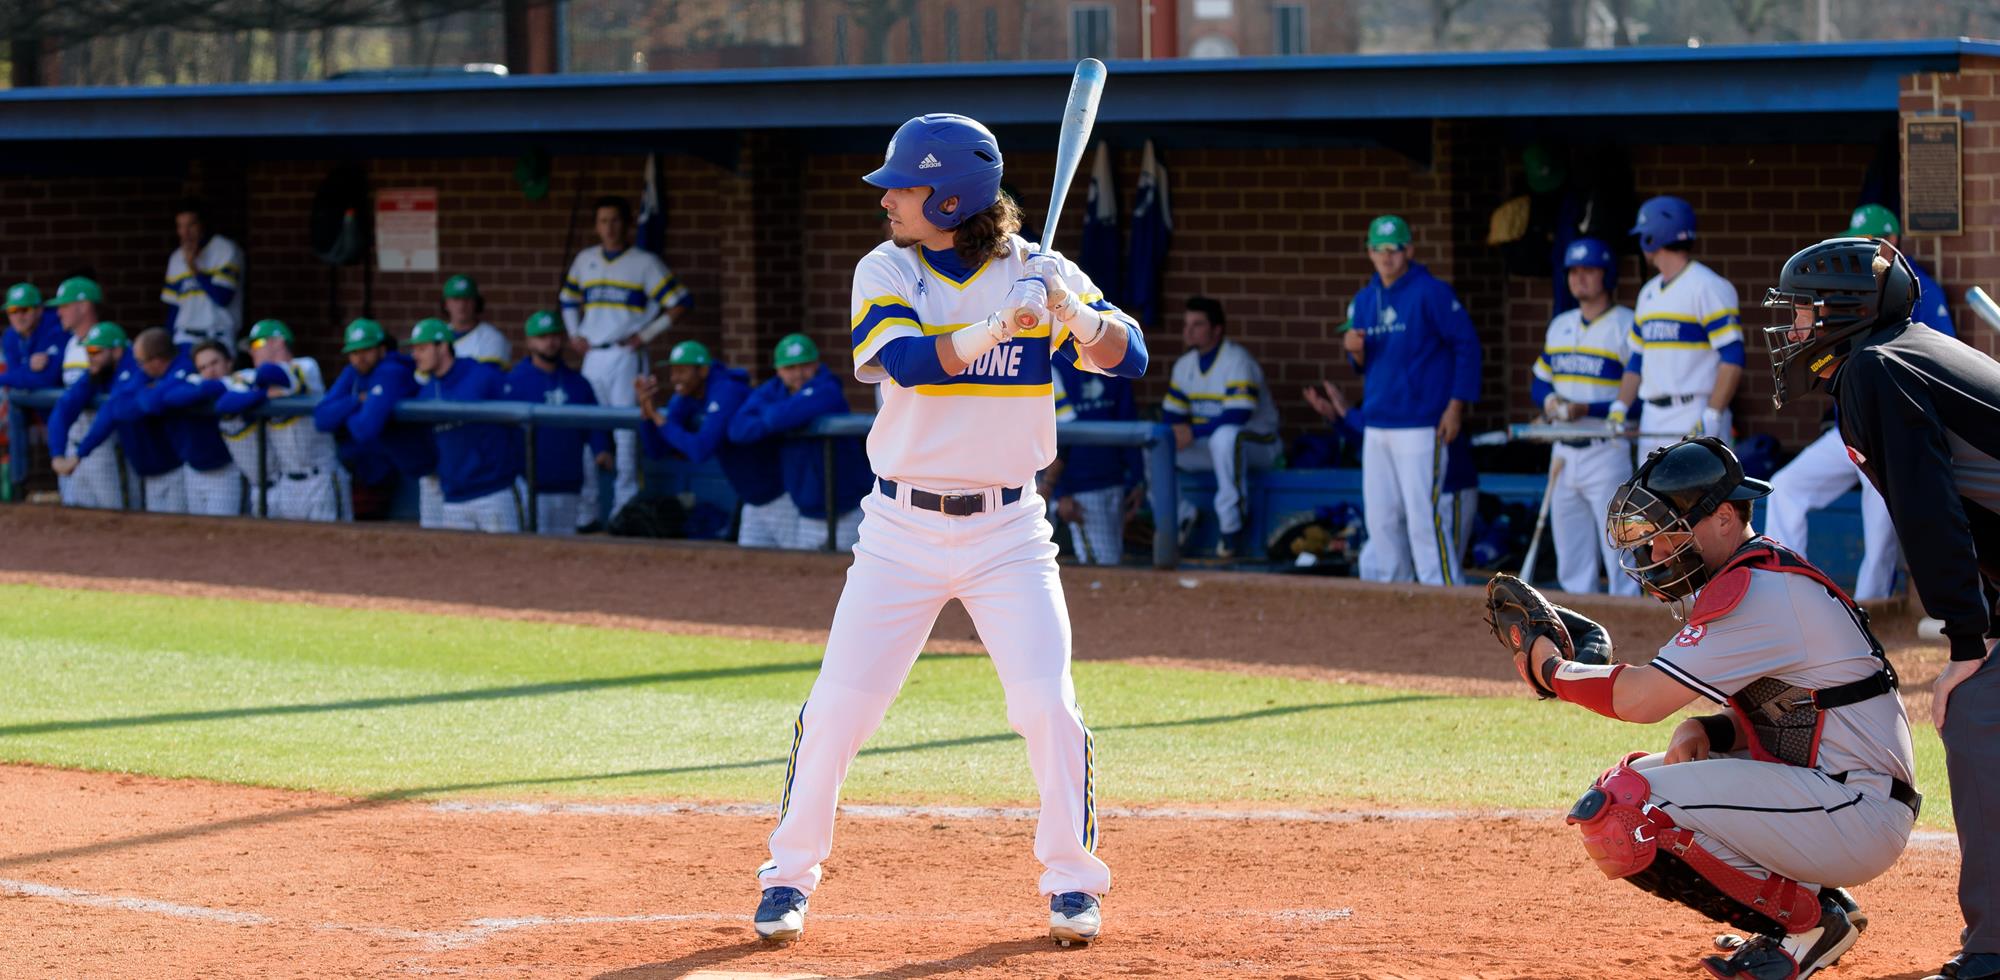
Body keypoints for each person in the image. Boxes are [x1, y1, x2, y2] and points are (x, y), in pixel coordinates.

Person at [751, 112, 1146, 949]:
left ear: (954, 195)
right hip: (899, 529)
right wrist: (1003, 325)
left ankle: (1073, 883)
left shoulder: (1036, 270)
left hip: (1011, 531)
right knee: (838, 709)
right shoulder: (885, 266)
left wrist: (1073, 314)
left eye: (905, 185)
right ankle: (788, 877)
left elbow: (1131, 358)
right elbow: (907, 363)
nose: (888, 197)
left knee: (1049, 705)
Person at [1496, 436, 1916, 979]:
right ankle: (1815, 908)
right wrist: (1713, 730)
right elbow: (1798, 711)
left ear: (1722, 518)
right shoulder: (1750, 577)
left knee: (1629, 810)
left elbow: (1642, 699)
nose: (1652, 553)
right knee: (1626, 780)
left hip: (1855, 807)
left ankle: (1806, 926)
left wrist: (1551, 670)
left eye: (1665, 533)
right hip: (1836, 793)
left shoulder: (1761, 591)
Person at [1763, 236, 2000, 980]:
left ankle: (1995, 950)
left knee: (1979, 712)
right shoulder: (1907, 351)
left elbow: (1931, 513)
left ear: (1843, 310)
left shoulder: (1875, 367)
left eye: (1802, 313)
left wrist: (1968, 642)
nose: (1793, 331)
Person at [1762, 205, 1956, 600]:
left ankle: (1873, 607)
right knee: (1786, 487)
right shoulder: (1846, 289)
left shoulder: (1918, 289)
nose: (1859, 250)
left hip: (1892, 432)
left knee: (1881, 520)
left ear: (1891, 242)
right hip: (1848, 429)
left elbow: (1939, 357)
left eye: (1868, 241)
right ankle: (1787, 594)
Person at [1344, 214, 1483, 586]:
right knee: (1381, 517)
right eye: (1379, 249)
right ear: (1369, 252)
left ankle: (1443, 592)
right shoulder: (1364, 298)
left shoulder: (1431, 292)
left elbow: (1467, 346)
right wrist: (1353, 351)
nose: (1386, 256)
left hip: (1422, 423)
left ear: (1409, 250)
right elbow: (1362, 365)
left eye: (1394, 249)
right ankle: (1396, 594)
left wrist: (1456, 406)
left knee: (1424, 516)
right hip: (1377, 423)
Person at [559, 195, 692, 531]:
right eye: (603, 221)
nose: (609, 227)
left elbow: (679, 302)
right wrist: (574, 334)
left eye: (615, 220)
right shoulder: (585, 259)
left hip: (624, 353)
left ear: (628, 224)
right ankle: (587, 513)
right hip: (592, 353)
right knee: (590, 430)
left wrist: (645, 336)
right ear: (596, 225)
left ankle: (623, 511)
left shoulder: (644, 262)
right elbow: (567, 299)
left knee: (625, 435)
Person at [1531, 237, 1639, 594]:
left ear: (1606, 276)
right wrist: (1549, 403)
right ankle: (1582, 632)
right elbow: (1538, 381)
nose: (1580, 278)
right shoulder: (1560, 324)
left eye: (1588, 270)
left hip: (1605, 449)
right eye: (1574, 271)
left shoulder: (1626, 323)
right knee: (1572, 556)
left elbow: (1640, 397)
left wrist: (1587, 410)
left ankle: (1631, 625)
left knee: (1619, 549)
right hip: (1562, 450)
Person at [1618, 195, 1743, 458]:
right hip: (1652, 416)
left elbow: (1733, 358)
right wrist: (1619, 407)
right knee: (1651, 498)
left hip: (1695, 411)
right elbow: (1636, 361)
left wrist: (1713, 413)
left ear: (1654, 237)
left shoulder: (1707, 286)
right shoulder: (1648, 292)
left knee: (1698, 499)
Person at [726, 333, 872, 551]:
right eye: (790, 368)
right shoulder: (772, 390)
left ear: (816, 364)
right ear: (778, 370)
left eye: (805, 366)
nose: (798, 374)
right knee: (806, 574)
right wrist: (786, 413)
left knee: (851, 575)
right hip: (806, 512)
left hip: (849, 508)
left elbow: (777, 418)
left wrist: (772, 416)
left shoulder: (828, 388)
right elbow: (737, 430)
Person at [1160, 295, 1279, 558]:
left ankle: (1231, 526)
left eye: (1197, 324)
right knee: (1156, 445)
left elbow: (1239, 415)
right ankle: (1182, 516)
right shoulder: (1184, 365)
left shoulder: (1237, 360)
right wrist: (1174, 434)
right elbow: (1171, 415)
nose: (1188, 330)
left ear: (1217, 329)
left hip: (1258, 445)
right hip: (1212, 448)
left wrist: (1192, 432)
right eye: (1186, 324)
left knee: (1225, 437)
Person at [636, 340, 771, 538]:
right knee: (749, 561)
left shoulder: (728, 390)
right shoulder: (684, 398)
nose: (675, 378)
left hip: (780, 490)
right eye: (673, 371)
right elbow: (656, 451)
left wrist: (658, 418)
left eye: (682, 371)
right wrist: (647, 413)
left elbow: (700, 450)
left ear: (704, 371)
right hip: (751, 496)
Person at [315, 318, 439, 526]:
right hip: (407, 468)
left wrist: (345, 414)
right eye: (354, 353)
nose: (359, 358)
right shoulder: (353, 372)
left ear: (382, 349)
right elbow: (321, 419)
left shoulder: (392, 370)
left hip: (423, 469)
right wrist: (356, 401)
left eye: (366, 350)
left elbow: (365, 429)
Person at [408, 318, 522, 533]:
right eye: (414, 349)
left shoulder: (482, 376)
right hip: (454, 499)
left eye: (422, 348)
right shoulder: (426, 392)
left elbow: (518, 424)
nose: (415, 355)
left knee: (510, 561)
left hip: (494, 493)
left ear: (443, 347)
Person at [505, 311, 611, 536]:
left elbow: (595, 424)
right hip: (528, 486)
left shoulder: (578, 383)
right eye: (542, 337)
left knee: (564, 549)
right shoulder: (514, 382)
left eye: (554, 336)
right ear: (529, 341)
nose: (549, 342)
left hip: (569, 484)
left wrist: (601, 449)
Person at [59, 327, 185, 512]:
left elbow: (150, 404)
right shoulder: (125, 375)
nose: (140, 367)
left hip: (178, 469)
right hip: (150, 473)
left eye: (95, 351)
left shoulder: (179, 366)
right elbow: (114, 409)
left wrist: (145, 396)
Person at [1049, 351, 1142, 566]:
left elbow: (1128, 421)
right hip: (1080, 488)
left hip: (1114, 480)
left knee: (1112, 559)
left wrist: (1137, 479)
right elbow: (1051, 436)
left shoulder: (1113, 355)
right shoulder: (1055, 362)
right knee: (1102, 564)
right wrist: (1060, 493)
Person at [47, 323, 138, 510]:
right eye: (88, 351)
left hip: (148, 458)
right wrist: (57, 454)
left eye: (96, 351)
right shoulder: (97, 372)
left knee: (128, 514)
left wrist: (80, 454)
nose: (90, 357)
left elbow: (109, 413)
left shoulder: (133, 368)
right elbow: (64, 407)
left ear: (117, 352)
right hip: (125, 454)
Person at [161, 198, 245, 356]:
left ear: (203, 225)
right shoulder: (177, 258)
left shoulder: (225, 250)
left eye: (191, 225)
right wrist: (168, 345)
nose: (185, 233)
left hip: (217, 336)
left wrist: (196, 271)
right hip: (184, 337)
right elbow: (173, 308)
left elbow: (223, 297)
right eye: (180, 226)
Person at [0, 283, 67, 391]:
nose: (19, 317)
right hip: (26, 402)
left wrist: (8, 377)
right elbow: (13, 375)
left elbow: (45, 380)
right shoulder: (10, 335)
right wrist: (28, 367)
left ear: (39, 310)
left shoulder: (57, 329)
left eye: (25, 309)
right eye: (12, 310)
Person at [52, 276, 110, 386]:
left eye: (64, 305)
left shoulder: (109, 341)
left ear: (84, 306)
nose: (59, 313)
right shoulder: (71, 343)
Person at [441, 275, 511, 367]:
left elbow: (487, 378)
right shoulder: (438, 335)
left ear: (476, 303)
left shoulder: (492, 338)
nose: (461, 305)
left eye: (467, 299)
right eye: (456, 299)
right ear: (446, 304)